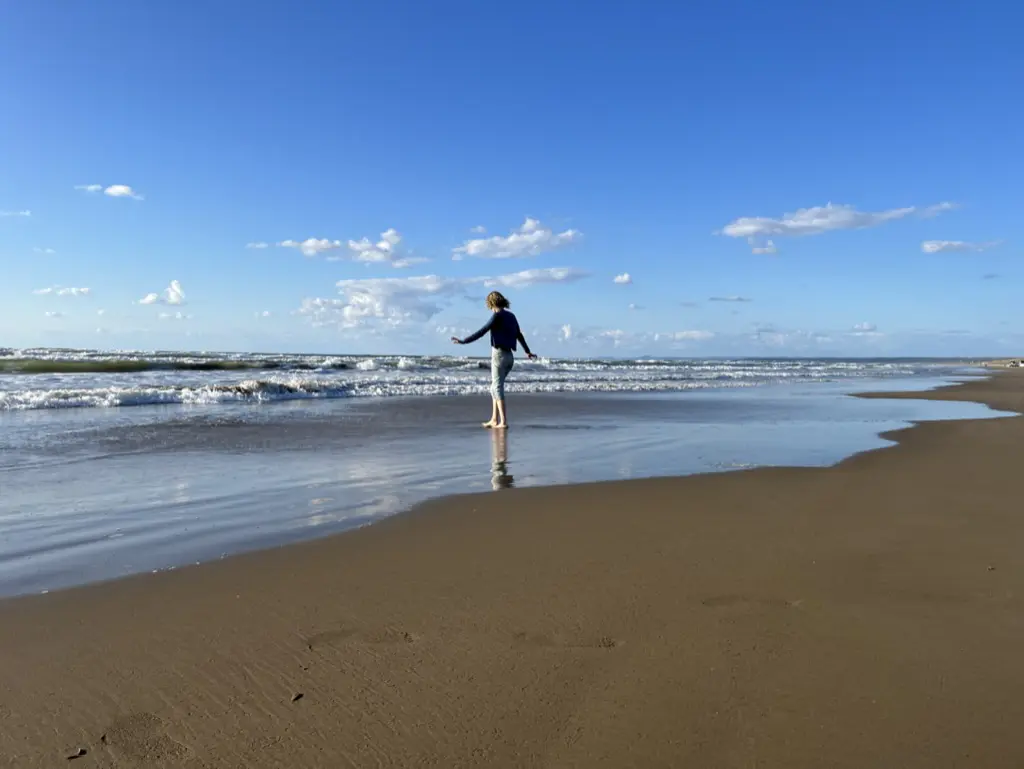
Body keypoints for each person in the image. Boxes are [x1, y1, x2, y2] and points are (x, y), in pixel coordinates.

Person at [451, 291, 537, 429]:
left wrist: (463, 341)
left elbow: (482, 331)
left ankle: (503, 421)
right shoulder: (511, 316)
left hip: (499, 355)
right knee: (494, 388)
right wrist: (527, 352)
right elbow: (519, 335)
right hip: (509, 357)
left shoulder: (497, 316)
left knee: (497, 387)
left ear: (491, 303)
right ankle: (493, 419)